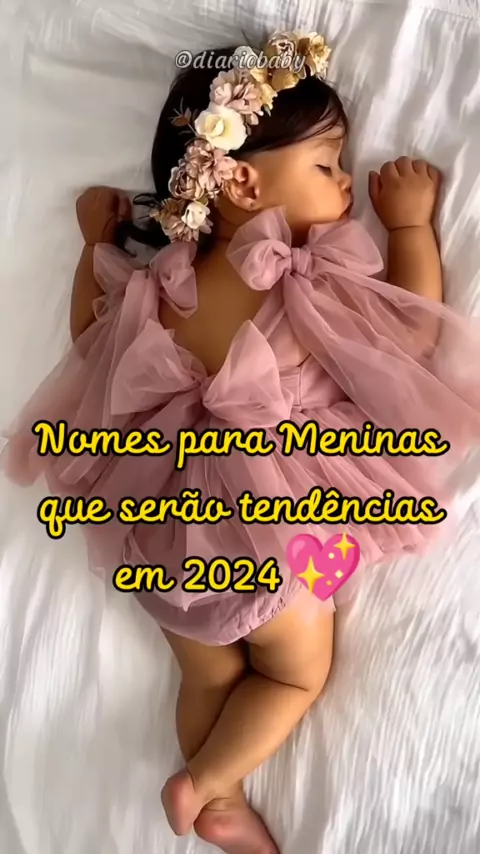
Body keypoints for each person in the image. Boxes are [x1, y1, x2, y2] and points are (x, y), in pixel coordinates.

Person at [3, 31, 480, 854]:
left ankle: (211, 802)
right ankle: (207, 784)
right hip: (284, 528)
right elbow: (403, 336)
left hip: (158, 531)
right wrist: (408, 227)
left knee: (207, 673)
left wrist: (92, 247)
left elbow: (88, 338)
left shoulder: (158, 285)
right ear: (244, 180)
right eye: (328, 164)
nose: (345, 182)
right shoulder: (305, 273)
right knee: (297, 671)